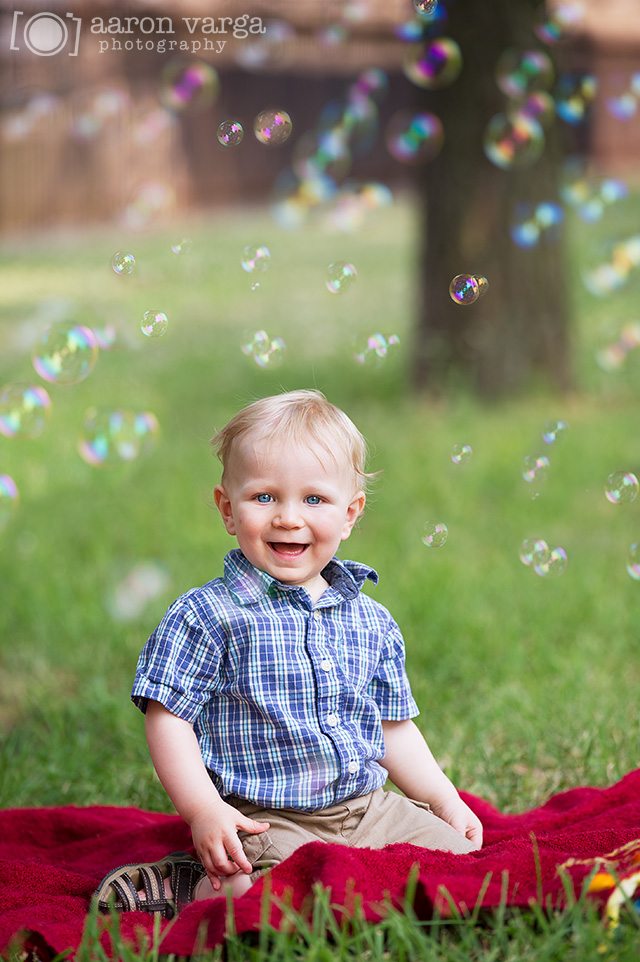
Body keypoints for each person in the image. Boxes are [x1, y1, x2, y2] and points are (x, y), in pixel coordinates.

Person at [94, 389, 482, 918]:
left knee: (460, 866)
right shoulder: (208, 616)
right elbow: (169, 719)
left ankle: (348, 863)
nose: (288, 518)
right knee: (272, 901)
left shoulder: (372, 621)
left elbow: (392, 728)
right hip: (264, 818)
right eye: (264, 497)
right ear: (228, 510)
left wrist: (442, 799)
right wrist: (205, 810)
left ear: (350, 514)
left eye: (314, 500)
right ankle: (193, 882)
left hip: (366, 810)